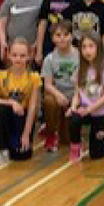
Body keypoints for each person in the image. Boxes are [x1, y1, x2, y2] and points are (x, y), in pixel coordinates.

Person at [0, 38, 42, 165]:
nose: (18, 59)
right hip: (5, 116)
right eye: (15, 55)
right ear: (8, 55)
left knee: (22, 154)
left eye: (22, 56)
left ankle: (11, 142)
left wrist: (26, 134)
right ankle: (1, 148)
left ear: (29, 56)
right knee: (1, 109)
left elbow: (33, 108)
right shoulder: (1, 75)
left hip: (22, 117)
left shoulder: (34, 77)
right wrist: (12, 103)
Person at [68, 33, 104, 163]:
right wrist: (73, 107)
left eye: (91, 46)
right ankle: (75, 147)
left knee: (96, 154)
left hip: (100, 112)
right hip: (85, 110)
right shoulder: (80, 69)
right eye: (84, 47)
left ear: (98, 48)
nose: (87, 51)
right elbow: (77, 94)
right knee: (74, 119)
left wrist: (89, 109)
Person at [40, 21, 80, 154]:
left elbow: (82, 84)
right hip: (58, 94)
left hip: (76, 95)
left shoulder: (79, 56)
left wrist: (74, 101)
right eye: (58, 35)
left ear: (72, 36)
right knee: (49, 101)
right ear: (52, 38)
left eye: (66, 34)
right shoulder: (49, 59)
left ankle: (64, 125)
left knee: (67, 140)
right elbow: (47, 85)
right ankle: (51, 134)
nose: (62, 38)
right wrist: (58, 95)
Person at [35, 0, 83, 64]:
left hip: (71, 47)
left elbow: (79, 28)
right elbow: (42, 25)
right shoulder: (48, 0)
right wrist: (39, 51)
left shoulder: (78, 1)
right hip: (50, 46)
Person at [0, 0, 45, 64]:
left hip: (31, 47)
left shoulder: (42, 1)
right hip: (11, 47)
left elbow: (43, 25)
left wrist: (37, 46)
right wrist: (3, 43)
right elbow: (1, 23)